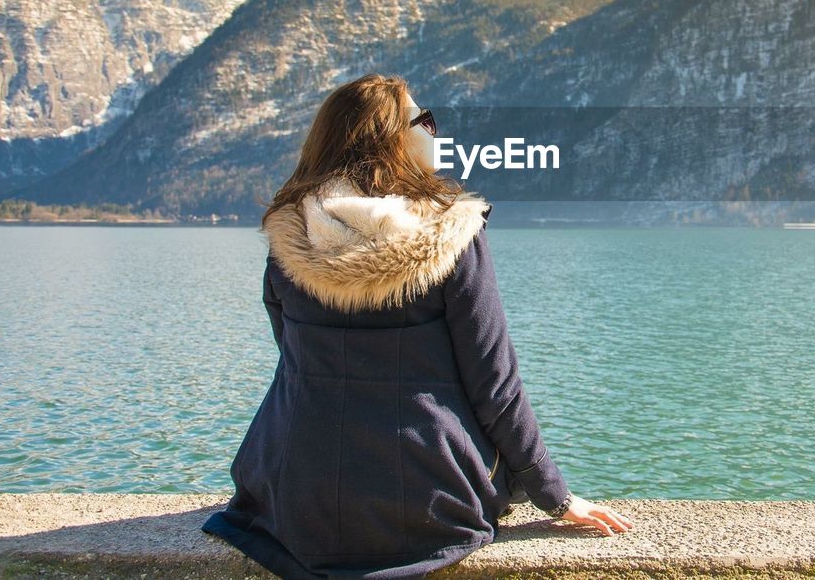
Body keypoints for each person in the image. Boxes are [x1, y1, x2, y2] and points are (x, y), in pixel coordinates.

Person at [202, 73, 632, 578]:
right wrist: (556, 498)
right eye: (424, 121)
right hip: (426, 499)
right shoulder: (450, 234)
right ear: (394, 142)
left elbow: (292, 358)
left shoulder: (289, 236)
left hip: (297, 497)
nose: (434, 131)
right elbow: (494, 386)